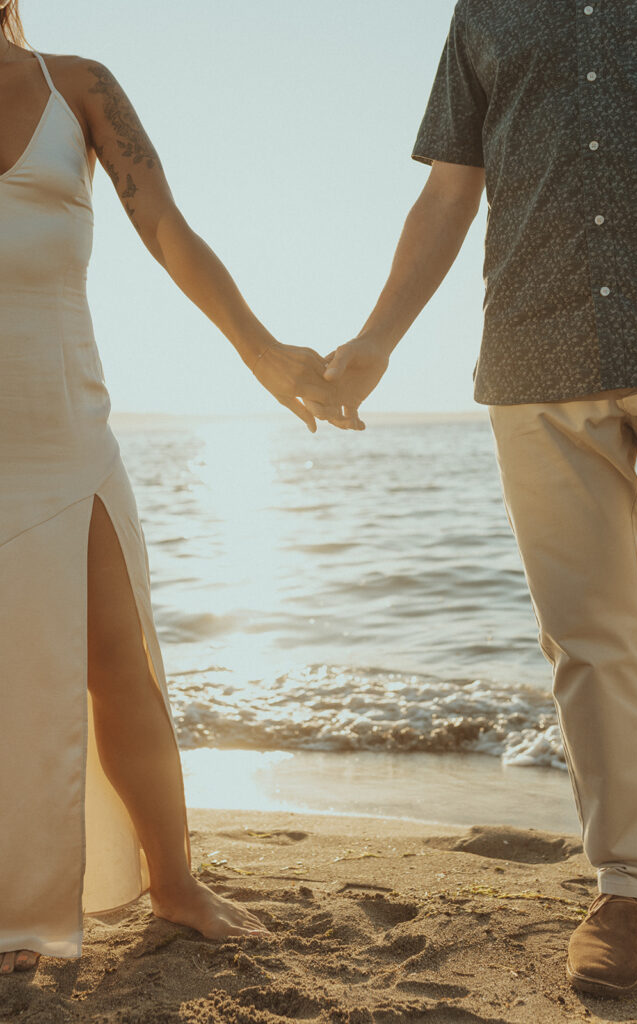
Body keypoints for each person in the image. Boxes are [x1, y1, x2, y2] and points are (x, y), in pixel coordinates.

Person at [316, 0, 637, 1000]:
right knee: (585, 637)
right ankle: (629, 886)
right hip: (534, 356)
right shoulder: (483, 11)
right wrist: (375, 343)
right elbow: (449, 191)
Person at [0, 0, 356, 975]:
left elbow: (166, 228)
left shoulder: (79, 89)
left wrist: (259, 350)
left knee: (119, 666)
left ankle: (174, 884)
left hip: (69, 437)